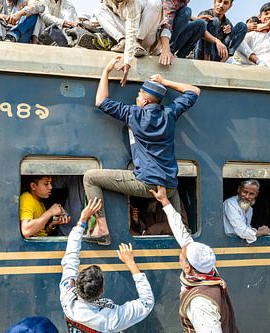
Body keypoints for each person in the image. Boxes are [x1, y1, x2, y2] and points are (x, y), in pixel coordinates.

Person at [82, 56, 200, 246]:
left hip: (146, 183)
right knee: (178, 219)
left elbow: (100, 101)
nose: (136, 98)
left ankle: (101, 228)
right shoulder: (169, 113)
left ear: (144, 100)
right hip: (169, 186)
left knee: (90, 177)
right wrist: (164, 82)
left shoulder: (133, 114)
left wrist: (106, 71)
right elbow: (194, 91)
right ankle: (185, 238)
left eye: (138, 95)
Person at [150, 185, 239, 333]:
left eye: (182, 254)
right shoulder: (207, 271)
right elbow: (183, 235)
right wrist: (165, 201)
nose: (182, 250)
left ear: (187, 267)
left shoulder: (200, 303)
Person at [60, 197, 155, 333]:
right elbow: (147, 302)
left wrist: (82, 220)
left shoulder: (68, 299)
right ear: (102, 290)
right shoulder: (112, 319)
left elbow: (70, 258)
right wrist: (131, 264)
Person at [93, 0, 163, 85]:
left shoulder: (133, 3)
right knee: (99, 9)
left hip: (145, 36)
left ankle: (138, 42)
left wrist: (127, 62)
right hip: (127, 36)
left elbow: (131, 31)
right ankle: (122, 41)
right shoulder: (107, 1)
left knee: (155, 2)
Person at [223, 179, 270, 244]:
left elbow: (246, 228)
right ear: (239, 189)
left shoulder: (249, 209)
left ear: (256, 194)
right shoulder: (230, 203)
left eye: (251, 194)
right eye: (245, 192)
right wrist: (260, 232)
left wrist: (258, 231)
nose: (247, 196)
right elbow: (242, 231)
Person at [158, 0, 206, 66]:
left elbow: (177, 15)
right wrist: (165, 48)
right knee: (187, 11)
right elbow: (167, 23)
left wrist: (194, 18)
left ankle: (180, 56)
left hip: (170, 35)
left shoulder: (183, 3)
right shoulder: (169, 2)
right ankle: (167, 50)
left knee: (201, 24)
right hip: (161, 38)